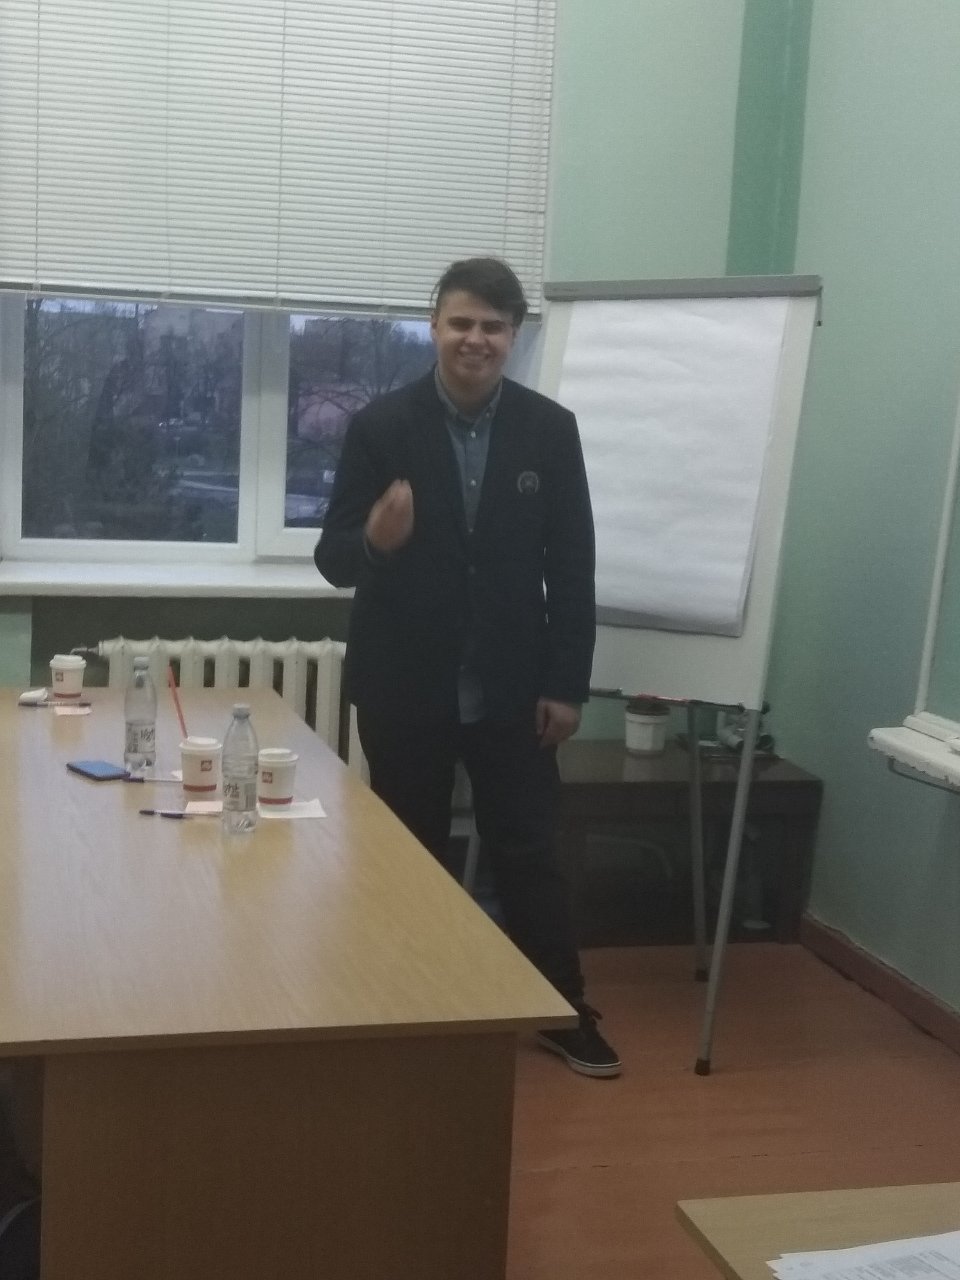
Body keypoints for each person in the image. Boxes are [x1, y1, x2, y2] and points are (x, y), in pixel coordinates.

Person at [315, 257, 620, 1078]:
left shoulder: (549, 430)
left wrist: (566, 684)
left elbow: (574, 567)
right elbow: (333, 558)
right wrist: (374, 540)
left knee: (529, 851)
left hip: (515, 691)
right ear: (434, 327)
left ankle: (562, 1009)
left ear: (512, 336)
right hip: (404, 687)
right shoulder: (381, 426)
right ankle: (411, 1008)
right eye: (461, 323)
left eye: (492, 326)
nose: (475, 339)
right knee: (407, 854)